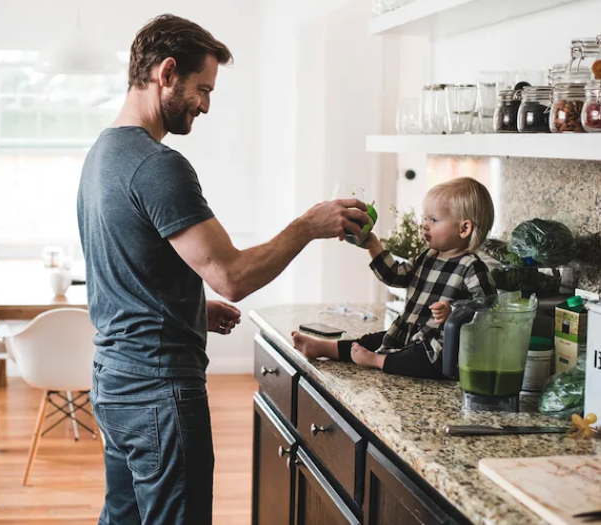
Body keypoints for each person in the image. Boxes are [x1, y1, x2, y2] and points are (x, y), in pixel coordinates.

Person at [77, 14, 371, 525]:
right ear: (166, 73)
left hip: (113, 377)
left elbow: (122, 267)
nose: (206, 105)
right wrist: (307, 225)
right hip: (157, 388)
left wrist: (188, 306)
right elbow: (232, 275)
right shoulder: (158, 165)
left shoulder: (103, 153)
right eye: (202, 88)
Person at [291, 177, 497, 378]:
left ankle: (377, 361)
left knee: (418, 357)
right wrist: (373, 245)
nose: (424, 225)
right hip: (409, 331)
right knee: (374, 339)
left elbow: (488, 307)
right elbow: (397, 277)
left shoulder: (472, 267)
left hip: (438, 345)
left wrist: (454, 311)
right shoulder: (428, 256)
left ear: (464, 229)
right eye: (425, 218)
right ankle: (322, 347)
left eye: (433, 220)